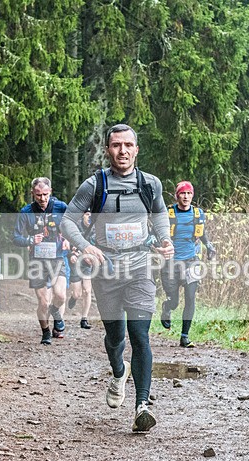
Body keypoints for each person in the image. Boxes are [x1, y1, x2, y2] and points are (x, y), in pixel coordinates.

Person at [61, 124, 174, 433]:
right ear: (107, 150)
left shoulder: (150, 185)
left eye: (128, 145)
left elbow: (160, 214)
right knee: (116, 338)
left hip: (140, 269)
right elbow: (68, 221)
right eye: (116, 145)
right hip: (106, 273)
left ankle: (141, 407)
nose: (122, 151)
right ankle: (118, 370)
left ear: (136, 149)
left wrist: (164, 239)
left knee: (140, 335)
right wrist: (86, 246)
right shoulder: (94, 185)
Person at [13, 177, 70, 345]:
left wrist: (68, 240)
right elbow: (16, 238)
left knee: (60, 295)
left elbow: (74, 226)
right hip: (37, 261)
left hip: (57, 258)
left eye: (45, 194)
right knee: (43, 301)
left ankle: (55, 312)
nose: (42, 199)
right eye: (38, 195)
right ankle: (45, 332)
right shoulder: (26, 212)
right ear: (32, 194)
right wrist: (30, 240)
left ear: (50, 192)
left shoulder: (61, 207)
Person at [159, 181, 216, 348]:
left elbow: (202, 232)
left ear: (192, 195)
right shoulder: (168, 214)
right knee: (175, 301)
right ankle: (167, 307)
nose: (186, 197)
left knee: (190, 297)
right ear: (177, 196)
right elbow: (157, 233)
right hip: (171, 262)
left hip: (192, 261)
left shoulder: (198, 214)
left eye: (189, 194)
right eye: (182, 194)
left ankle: (185, 336)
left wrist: (210, 247)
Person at [67, 211, 94, 330]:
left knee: (87, 291)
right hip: (76, 262)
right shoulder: (75, 227)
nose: (89, 217)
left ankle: (84, 319)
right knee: (77, 293)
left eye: (92, 214)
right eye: (87, 214)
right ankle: (73, 298)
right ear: (83, 215)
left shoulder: (96, 228)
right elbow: (66, 242)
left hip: (88, 263)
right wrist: (70, 255)